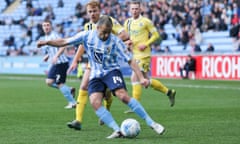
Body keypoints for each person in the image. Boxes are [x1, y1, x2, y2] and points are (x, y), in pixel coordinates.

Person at [37, 15, 165, 139]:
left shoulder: (115, 41)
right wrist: (47, 42)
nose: (105, 36)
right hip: (95, 75)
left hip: (111, 71)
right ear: (97, 28)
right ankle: (117, 130)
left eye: (108, 33)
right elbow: (65, 41)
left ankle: (152, 123)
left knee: (123, 95)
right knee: (95, 102)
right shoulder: (87, 35)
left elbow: (130, 60)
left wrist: (141, 78)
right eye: (103, 32)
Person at [65, 0, 130, 130]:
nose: (92, 14)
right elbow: (83, 44)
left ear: (99, 11)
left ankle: (106, 109)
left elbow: (124, 34)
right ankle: (78, 120)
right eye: (90, 11)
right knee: (83, 86)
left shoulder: (108, 21)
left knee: (107, 93)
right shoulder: (88, 27)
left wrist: (112, 43)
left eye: (95, 11)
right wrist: (75, 60)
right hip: (93, 62)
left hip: (108, 63)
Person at [123, 1, 176, 113]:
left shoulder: (146, 21)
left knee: (134, 77)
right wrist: (127, 43)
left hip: (144, 54)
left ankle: (135, 106)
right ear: (129, 9)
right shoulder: (127, 22)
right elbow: (126, 37)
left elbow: (156, 35)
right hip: (134, 54)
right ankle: (169, 92)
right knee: (146, 80)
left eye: (136, 8)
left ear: (140, 9)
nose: (134, 11)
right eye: (132, 9)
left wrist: (146, 44)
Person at [40, 20, 77, 109]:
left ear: (51, 26)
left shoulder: (54, 35)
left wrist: (56, 55)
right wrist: (48, 56)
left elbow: (63, 46)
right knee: (48, 82)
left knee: (59, 83)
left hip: (61, 62)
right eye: (44, 25)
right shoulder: (46, 37)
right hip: (56, 63)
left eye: (48, 25)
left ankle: (73, 102)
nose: (46, 27)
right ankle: (69, 90)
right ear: (42, 27)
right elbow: (51, 49)